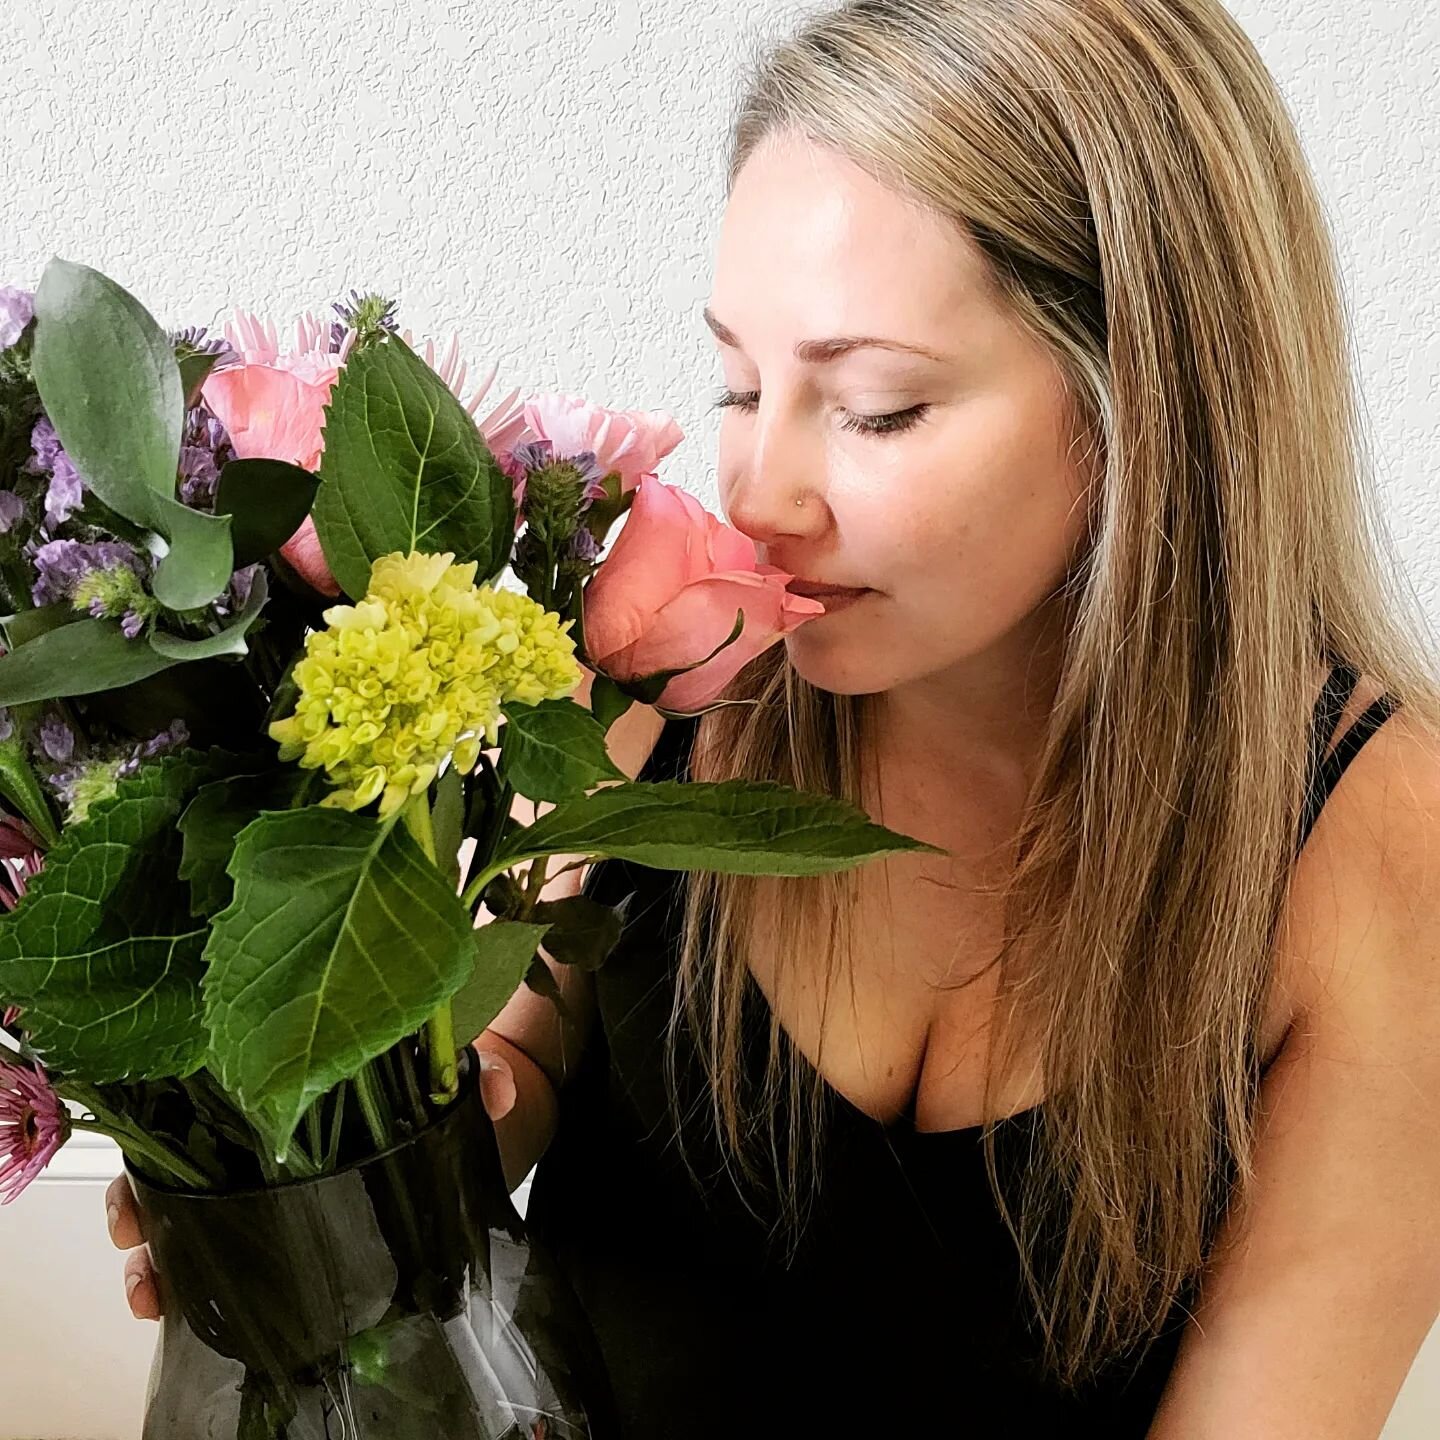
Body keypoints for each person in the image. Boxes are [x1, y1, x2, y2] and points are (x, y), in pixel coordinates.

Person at [110, 1, 1440, 1435]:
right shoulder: (660, 678)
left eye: (874, 409)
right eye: (742, 383)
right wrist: (300, 1174)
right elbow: (503, 1077)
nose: (758, 497)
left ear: (1156, 401)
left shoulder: (1375, 855)